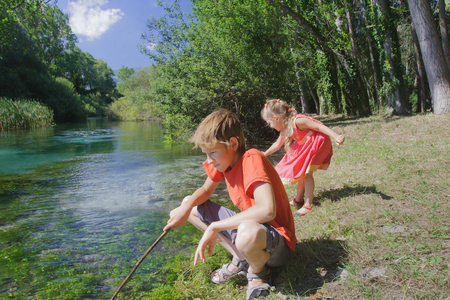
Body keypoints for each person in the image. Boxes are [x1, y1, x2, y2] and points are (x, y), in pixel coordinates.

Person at [163, 108, 297, 300]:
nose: (209, 160)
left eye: (212, 152)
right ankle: (242, 258)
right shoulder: (224, 162)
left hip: (278, 242)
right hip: (254, 230)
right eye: (205, 153)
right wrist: (185, 208)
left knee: (247, 232)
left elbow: (267, 211)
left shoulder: (252, 158)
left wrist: (215, 227)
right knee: (190, 205)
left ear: (232, 144)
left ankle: (258, 273)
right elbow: (206, 191)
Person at [261, 99, 345, 217]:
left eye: (268, 122)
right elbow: (277, 144)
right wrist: (264, 154)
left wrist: (336, 136)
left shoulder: (297, 121)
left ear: (276, 118)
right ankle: (298, 200)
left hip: (316, 143)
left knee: (307, 174)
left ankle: (307, 205)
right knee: (301, 171)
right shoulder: (286, 127)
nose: (269, 126)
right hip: (304, 145)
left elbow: (319, 127)